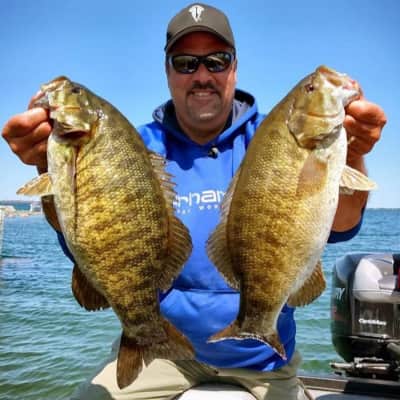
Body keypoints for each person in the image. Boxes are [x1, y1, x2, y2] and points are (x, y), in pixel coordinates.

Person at [2, 3, 386, 400]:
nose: (202, 75)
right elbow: (86, 239)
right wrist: (47, 165)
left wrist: (353, 151)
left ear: (235, 67)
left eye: (216, 61)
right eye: (185, 63)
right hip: (160, 358)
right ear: (167, 72)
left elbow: (342, 225)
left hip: (264, 359)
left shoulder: (274, 139)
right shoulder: (132, 148)